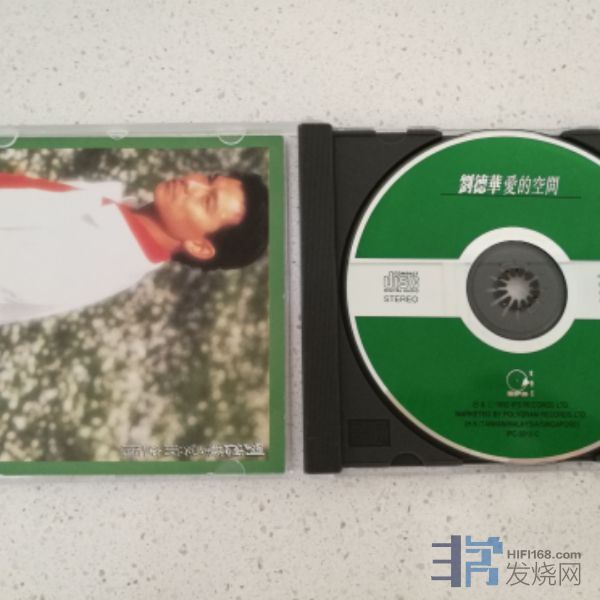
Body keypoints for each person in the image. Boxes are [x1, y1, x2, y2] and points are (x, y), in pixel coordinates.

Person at [0, 170, 268, 325]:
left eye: (206, 201)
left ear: (199, 246)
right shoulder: (121, 212)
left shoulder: (90, 263)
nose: (192, 183)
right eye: (209, 178)